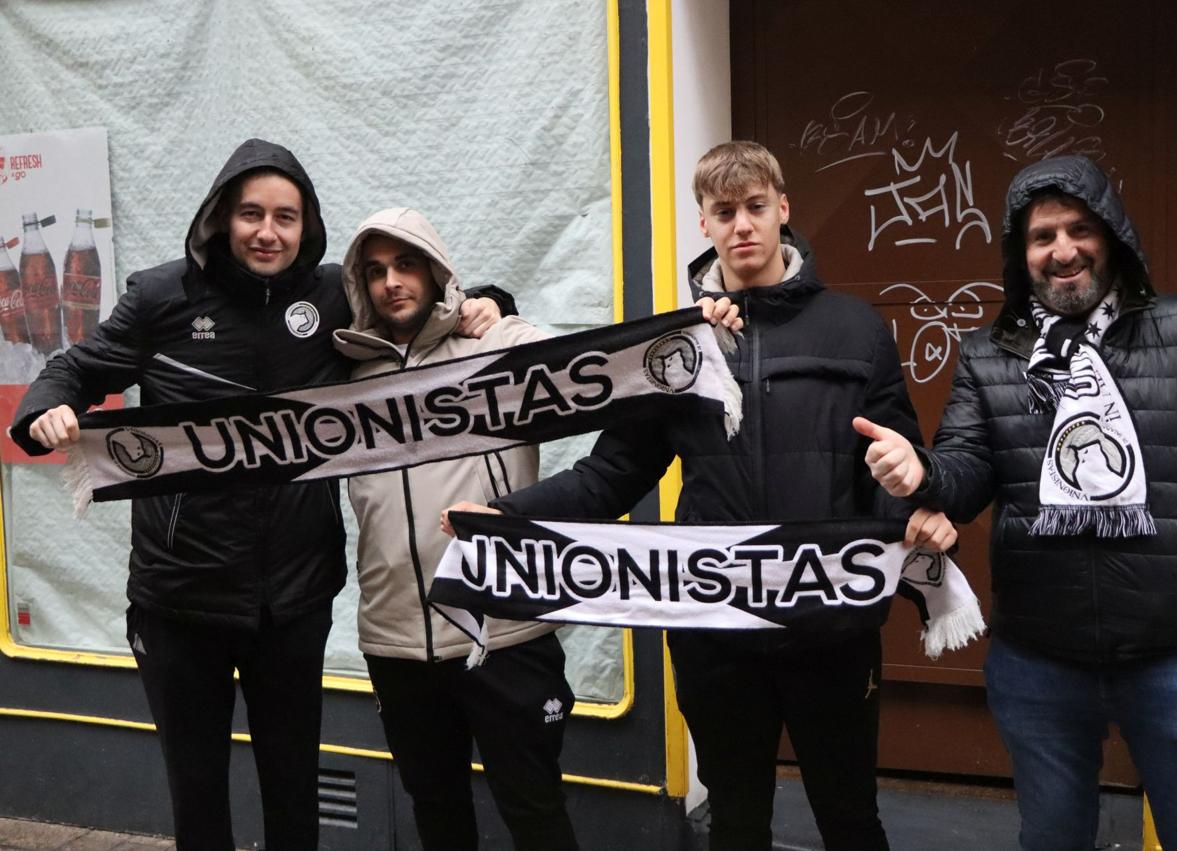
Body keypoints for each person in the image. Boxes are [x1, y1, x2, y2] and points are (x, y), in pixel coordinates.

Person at [444, 140, 955, 851]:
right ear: (705, 225)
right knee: (736, 817)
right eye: (724, 211)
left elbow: (898, 468)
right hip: (717, 634)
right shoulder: (673, 349)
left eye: (754, 207)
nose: (742, 224)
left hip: (831, 631)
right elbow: (611, 475)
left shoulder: (855, 328)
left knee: (850, 814)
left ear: (782, 209)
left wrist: (919, 507)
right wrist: (505, 518)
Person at [9, 139, 508, 850]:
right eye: (251, 213)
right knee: (199, 798)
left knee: (292, 795)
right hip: (178, 599)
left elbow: (420, 306)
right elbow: (75, 367)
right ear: (221, 217)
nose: (268, 232)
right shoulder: (160, 295)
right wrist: (44, 411)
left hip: (294, 601)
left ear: (307, 227)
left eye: (286, 216)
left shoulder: (334, 294)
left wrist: (492, 303)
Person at [854, 154, 1177, 850]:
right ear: (1023, 253)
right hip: (1040, 661)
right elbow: (967, 469)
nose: (1063, 250)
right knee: (1051, 837)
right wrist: (917, 470)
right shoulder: (990, 354)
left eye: (1079, 229)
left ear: (1112, 235)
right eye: (1043, 236)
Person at [331, 207, 579, 851]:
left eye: (406, 264)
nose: (392, 282)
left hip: (507, 632)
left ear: (437, 272)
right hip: (397, 643)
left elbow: (593, 371)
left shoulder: (496, 347)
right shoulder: (346, 383)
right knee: (436, 810)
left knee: (535, 807)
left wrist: (499, 310)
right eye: (376, 271)